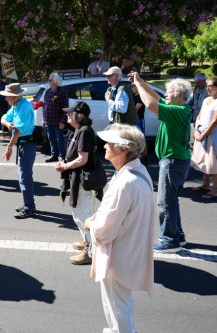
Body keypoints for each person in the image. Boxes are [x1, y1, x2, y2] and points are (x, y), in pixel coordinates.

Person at [84, 123, 155, 333]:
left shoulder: (125, 182)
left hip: (118, 254)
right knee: (122, 303)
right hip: (130, 249)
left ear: (122, 150)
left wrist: (90, 223)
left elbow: (105, 230)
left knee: (118, 306)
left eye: (110, 143)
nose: (104, 145)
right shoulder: (138, 172)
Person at [129, 72, 192, 253]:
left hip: (172, 162)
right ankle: (177, 236)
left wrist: (137, 85)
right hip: (176, 161)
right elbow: (156, 97)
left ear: (180, 95)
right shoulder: (178, 107)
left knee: (165, 202)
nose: (166, 94)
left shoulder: (177, 111)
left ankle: (170, 240)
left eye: (169, 91)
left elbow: (149, 103)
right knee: (172, 201)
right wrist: (141, 81)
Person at [55, 102, 97, 265]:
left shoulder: (84, 131)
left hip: (82, 179)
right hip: (76, 179)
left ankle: (91, 250)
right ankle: (86, 241)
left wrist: (65, 166)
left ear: (79, 116)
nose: (67, 115)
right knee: (77, 213)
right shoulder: (79, 130)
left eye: (70, 113)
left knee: (83, 214)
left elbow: (83, 159)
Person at [0, 83, 36, 219]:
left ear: (14, 96)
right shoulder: (17, 105)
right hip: (23, 145)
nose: (5, 98)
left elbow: (18, 130)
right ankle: (28, 204)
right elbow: (4, 117)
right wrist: (7, 123)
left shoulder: (24, 107)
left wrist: (9, 146)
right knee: (24, 177)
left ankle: (29, 208)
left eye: (7, 96)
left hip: (26, 145)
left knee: (24, 177)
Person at [191, 76, 217, 199]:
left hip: (212, 135)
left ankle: (214, 190)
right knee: (204, 159)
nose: (207, 87)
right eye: (207, 85)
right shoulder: (206, 99)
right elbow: (199, 116)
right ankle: (205, 185)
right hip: (202, 133)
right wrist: (196, 131)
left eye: (210, 86)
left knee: (214, 161)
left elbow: (215, 122)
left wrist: (203, 135)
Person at [43, 72, 68, 162]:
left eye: (50, 80)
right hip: (49, 121)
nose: (48, 82)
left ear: (55, 82)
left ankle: (62, 156)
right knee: (51, 139)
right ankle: (54, 155)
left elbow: (65, 108)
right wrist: (44, 120)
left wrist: (62, 121)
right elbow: (45, 106)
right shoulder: (48, 91)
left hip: (58, 121)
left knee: (59, 140)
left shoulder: (62, 92)